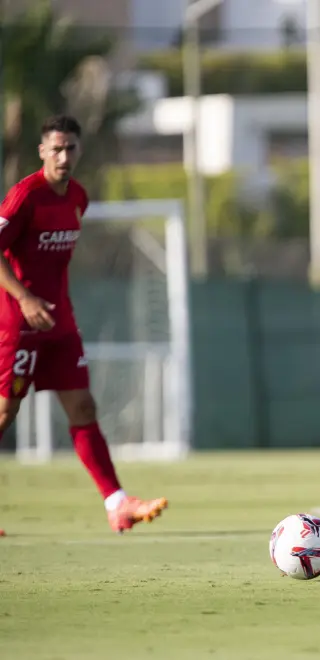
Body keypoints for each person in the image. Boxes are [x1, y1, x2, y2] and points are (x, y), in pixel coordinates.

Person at [0, 115, 168, 537]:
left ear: (79, 150)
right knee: (5, 412)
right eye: (55, 148)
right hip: (18, 323)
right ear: (42, 152)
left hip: (60, 323)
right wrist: (24, 297)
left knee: (83, 408)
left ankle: (118, 503)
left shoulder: (79, 197)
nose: (63, 155)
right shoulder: (25, 197)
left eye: (70, 147)